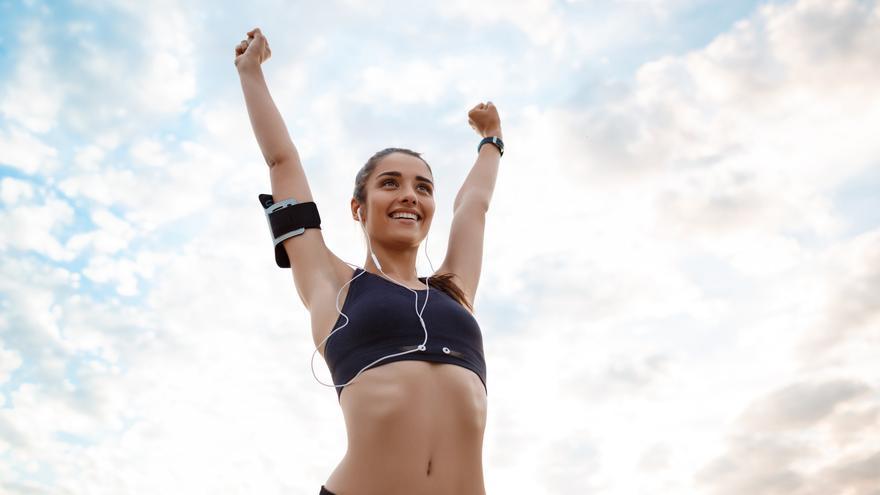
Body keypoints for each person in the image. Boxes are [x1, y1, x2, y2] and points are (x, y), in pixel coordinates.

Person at [235, 28, 504, 495]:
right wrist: (251, 73)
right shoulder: (332, 283)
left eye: (423, 187)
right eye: (390, 183)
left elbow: (473, 208)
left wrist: (492, 141)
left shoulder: (453, 288)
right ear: (358, 207)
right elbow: (282, 161)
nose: (408, 196)